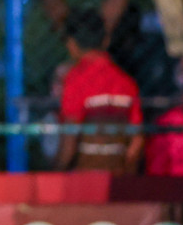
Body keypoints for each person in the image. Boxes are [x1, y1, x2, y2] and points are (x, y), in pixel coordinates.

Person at [55, 11, 143, 173]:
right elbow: (136, 142)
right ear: (106, 40)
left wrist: (56, 175)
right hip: (117, 179)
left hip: (84, 180)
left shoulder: (75, 79)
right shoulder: (126, 82)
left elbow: (70, 141)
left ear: (71, 44)